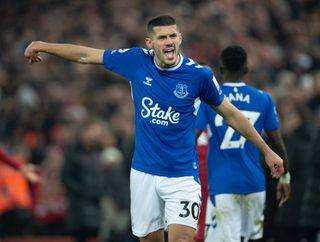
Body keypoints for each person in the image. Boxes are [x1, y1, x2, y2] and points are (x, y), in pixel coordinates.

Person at [24, 15, 284, 242]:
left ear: (180, 38)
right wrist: (43, 46)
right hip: (144, 174)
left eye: (173, 36)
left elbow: (233, 115)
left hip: (182, 176)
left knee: (183, 238)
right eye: (162, 37)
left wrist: (267, 150)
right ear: (150, 43)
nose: (168, 41)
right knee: (149, 239)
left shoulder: (199, 75)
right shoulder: (136, 61)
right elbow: (86, 55)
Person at [195, 46, 290, 242]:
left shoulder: (210, 99)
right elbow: (278, 145)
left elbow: (192, 137)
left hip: (224, 184)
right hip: (255, 185)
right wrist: (285, 178)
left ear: (220, 69)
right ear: (246, 70)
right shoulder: (263, 99)